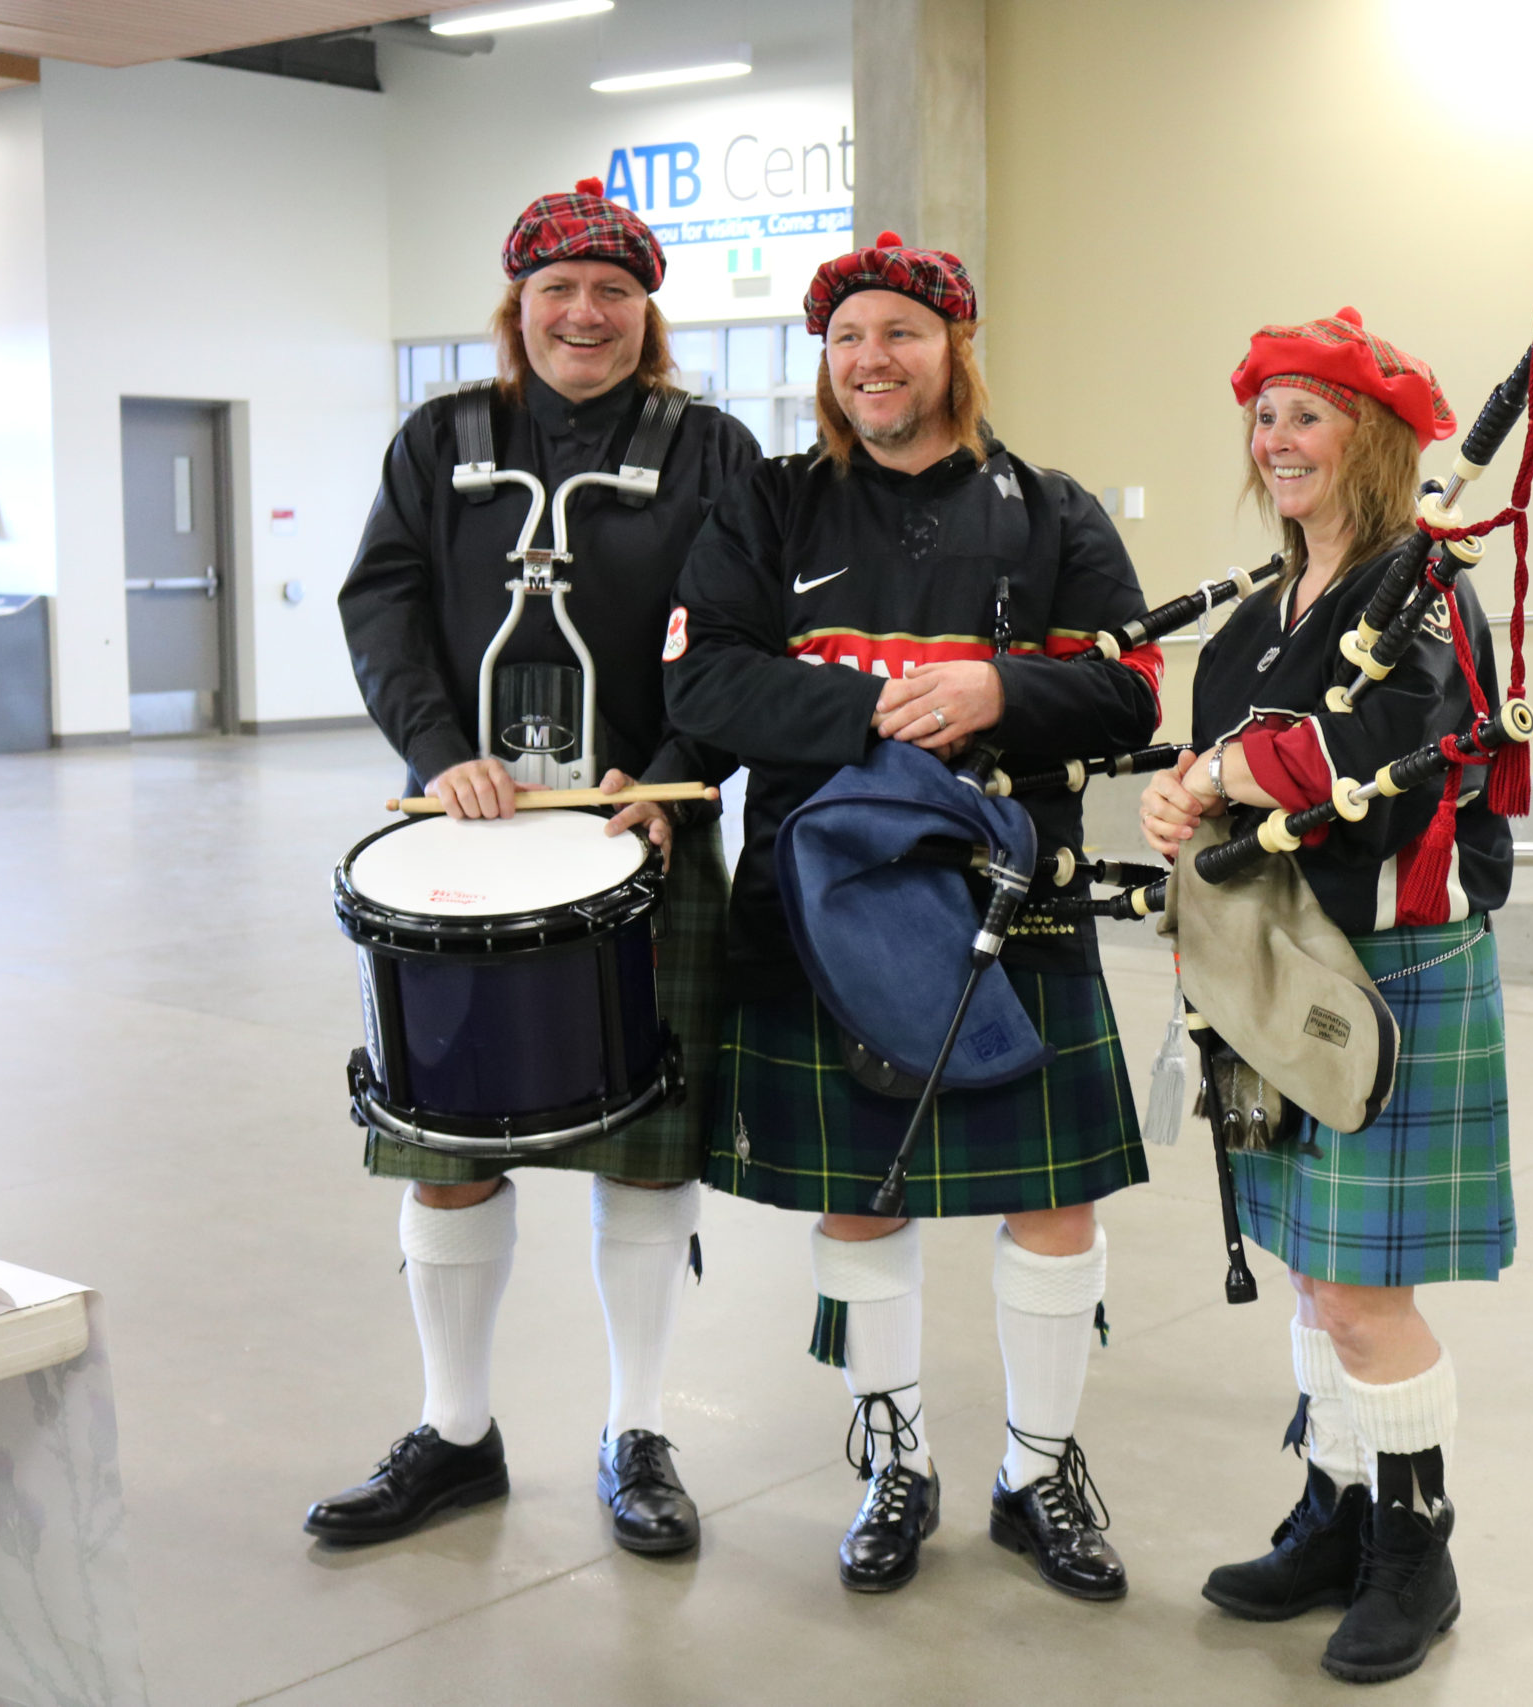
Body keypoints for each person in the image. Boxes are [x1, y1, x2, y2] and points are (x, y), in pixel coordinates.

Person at [662, 232, 1163, 1600]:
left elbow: (1131, 693)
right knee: (862, 1209)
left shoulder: (1052, 511)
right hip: (822, 908)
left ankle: (1036, 1470)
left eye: (901, 333)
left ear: (954, 348)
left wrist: (1005, 693)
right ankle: (895, 1465)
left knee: (1054, 1205)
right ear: (825, 364)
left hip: (1018, 908)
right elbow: (704, 693)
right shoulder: (767, 507)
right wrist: (876, 708)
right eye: (847, 340)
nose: (872, 360)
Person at [310, 178, 760, 1555]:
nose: (585, 314)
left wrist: (677, 766)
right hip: (465, 830)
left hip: (643, 826)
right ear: (519, 310)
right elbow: (380, 598)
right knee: (442, 1144)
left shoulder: (711, 449)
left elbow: (744, 628)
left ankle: (637, 1430)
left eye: (614, 292)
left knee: (646, 1148)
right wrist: (440, 747)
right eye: (558, 291)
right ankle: (456, 1434)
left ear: (647, 312)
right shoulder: (441, 437)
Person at [1138, 307, 1516, 1684]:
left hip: (1385, 963)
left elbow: (1405, 740)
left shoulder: (1422, 590)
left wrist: (1237, 775)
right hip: (1254, 964)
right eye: (1264, 414)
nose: (1277, 437)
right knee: (1309, 1277)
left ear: (1376, 441)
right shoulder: (1255, 618)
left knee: (1363, 1294)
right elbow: (1219, 756)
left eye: (1310, 412)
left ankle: (1418, 1555)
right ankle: (1338, 1510)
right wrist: (1178, 796)